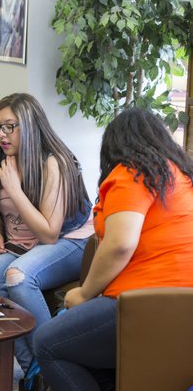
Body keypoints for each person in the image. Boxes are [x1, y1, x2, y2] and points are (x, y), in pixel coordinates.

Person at [33, 107, 193, 390]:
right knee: (91, 361)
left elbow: (120, 244)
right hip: (183, 308)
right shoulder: (182, 176)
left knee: (46, 343)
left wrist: (84, 293)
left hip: (143, 303)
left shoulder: (132, 172)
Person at [0, 93, 93, 373]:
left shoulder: (55, 162)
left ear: (29, 125)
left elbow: (50, 233)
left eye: (9, 127)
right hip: (24, 246)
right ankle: (34, 371)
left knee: (18, 277)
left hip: (71, 240)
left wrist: (15, 189)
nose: (2, 135)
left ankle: (55, 364)